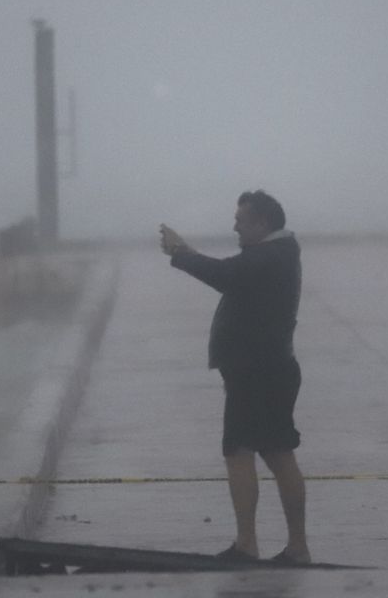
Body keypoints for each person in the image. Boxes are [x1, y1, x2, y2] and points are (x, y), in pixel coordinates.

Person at [159, 190, 311, 564]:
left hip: (258, 374)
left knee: (241, 453)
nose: (234, 226)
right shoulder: (278, 253)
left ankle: (248, 544)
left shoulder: (269, 256)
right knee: (277, 453)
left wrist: (181, 253)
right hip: (269, 370)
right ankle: (295, 547)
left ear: (261, 223)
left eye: (240, 220)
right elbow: (232, 275)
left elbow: (223, 275)